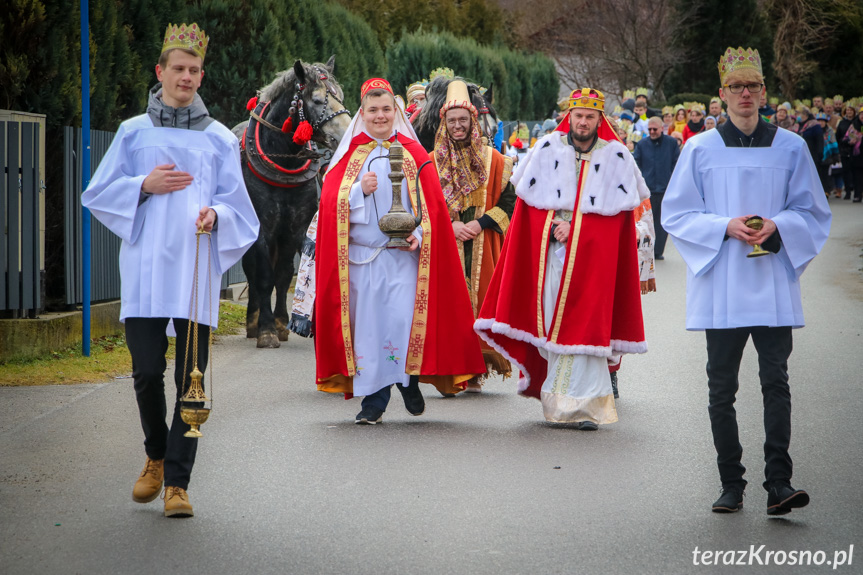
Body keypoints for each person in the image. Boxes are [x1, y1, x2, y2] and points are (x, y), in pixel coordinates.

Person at [81, 23, 260, 518]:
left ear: (202, 76)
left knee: (192, 380)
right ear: (160, 71)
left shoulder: (221, 139)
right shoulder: (133, 133)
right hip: (145, 274)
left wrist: (217, 215)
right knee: (144, 373)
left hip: (196, 272)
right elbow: (96, 193)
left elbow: (241, 210)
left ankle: (178, 484)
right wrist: (143, 184)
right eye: (177, 68)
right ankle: (156, 455)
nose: (186, 77)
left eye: (194, 70)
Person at [662, 47, 831, 515]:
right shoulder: (699, 148)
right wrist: (723, 226)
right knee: (722, 389)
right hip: (724, 283)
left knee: (776, 381)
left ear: (763, 93)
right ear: (722, 94)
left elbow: (812, 211)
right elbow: (676, 213)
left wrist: (778, 225)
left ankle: (779, 481)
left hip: (772, 279)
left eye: (752, 86)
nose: (744, 95)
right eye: (736, 87)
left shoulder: (791, 147)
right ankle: (731, 484)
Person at [314, 78, 486, 424]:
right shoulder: (348, 157)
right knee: (369, 329)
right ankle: (374, 401)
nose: (380, 116)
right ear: (362, 114)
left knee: (403, 324)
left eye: (386, 110)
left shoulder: (414, 154)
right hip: (363, 260)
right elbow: (330, 205)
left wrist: (420, 236)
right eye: (373, 110)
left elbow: (433, 210)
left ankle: (408, 382)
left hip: (404, 259)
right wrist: (359, 191)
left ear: (395, 112)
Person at [475, 88, 649, 429]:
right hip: (551, 259)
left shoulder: (616, 157)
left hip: (594, 261)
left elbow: (618, 225)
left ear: (600, 120)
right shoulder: (546, 150)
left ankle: (587, 407)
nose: (582, 122)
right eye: (578, 116)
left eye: (590, 116)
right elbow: (527, 212)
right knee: (553, 322)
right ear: (569, 117)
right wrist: (552, 226)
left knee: (587, 327)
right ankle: (557, 395)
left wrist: (578, 231)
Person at [430, 80, 516, 392]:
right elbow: (423, 206)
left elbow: (510, 202)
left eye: (463, 120)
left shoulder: (495, 159)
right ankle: (453, 369)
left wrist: (480, 223)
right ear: (445, 123)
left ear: (472, 122)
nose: (457, 126)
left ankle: (477, 368)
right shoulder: (430, 162)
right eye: (451, 120)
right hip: (446, 241)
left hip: (483, 242)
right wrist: (450, 225)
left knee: (480, 306)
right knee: (451, 307)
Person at [633, 116, 680, 261]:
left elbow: (677, 164)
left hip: (666, 189)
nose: (652, 132)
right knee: (647, 221)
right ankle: (647, 247)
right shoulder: (641, 144)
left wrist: (672, 181)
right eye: (650, 129)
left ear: (661, 128)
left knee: (662, 222)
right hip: (647, 190)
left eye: (655, 129)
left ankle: (658, 251)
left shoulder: (671, 143)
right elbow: (636, 165)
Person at [837, 102, 859, 200]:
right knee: (845, 171)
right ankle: (848, 192)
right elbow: (838, 136)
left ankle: (857, 191)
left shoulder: (857, 122)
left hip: (856, 150)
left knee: (855, 172)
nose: (849, 112)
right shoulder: (842, 123)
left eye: (851, 110)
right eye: (847, 110)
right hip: (845, 149)